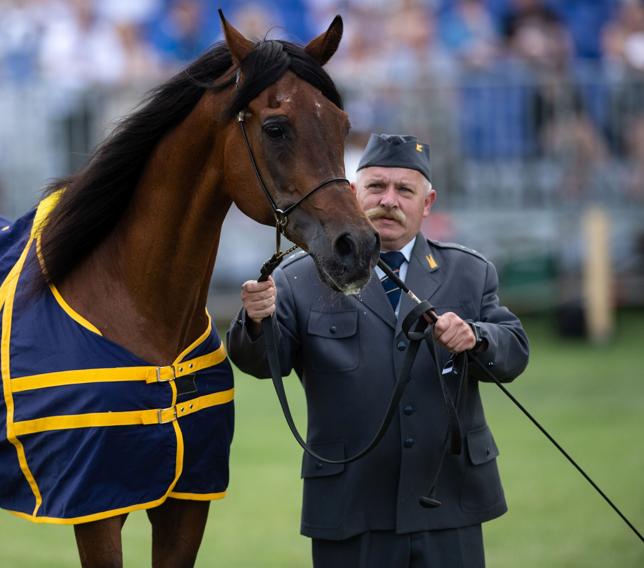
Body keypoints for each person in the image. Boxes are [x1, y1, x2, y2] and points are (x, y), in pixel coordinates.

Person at [227, 133, 530, 567]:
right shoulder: (299, 278)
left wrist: (478, 337)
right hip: (351, 505)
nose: (389, 200)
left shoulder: (469, 271)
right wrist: (256, 318)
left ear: (427, 203)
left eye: (405, 190)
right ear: (353, 193)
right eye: (376, 187)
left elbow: (514, 349)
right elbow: (259, 361)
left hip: (449, 499)